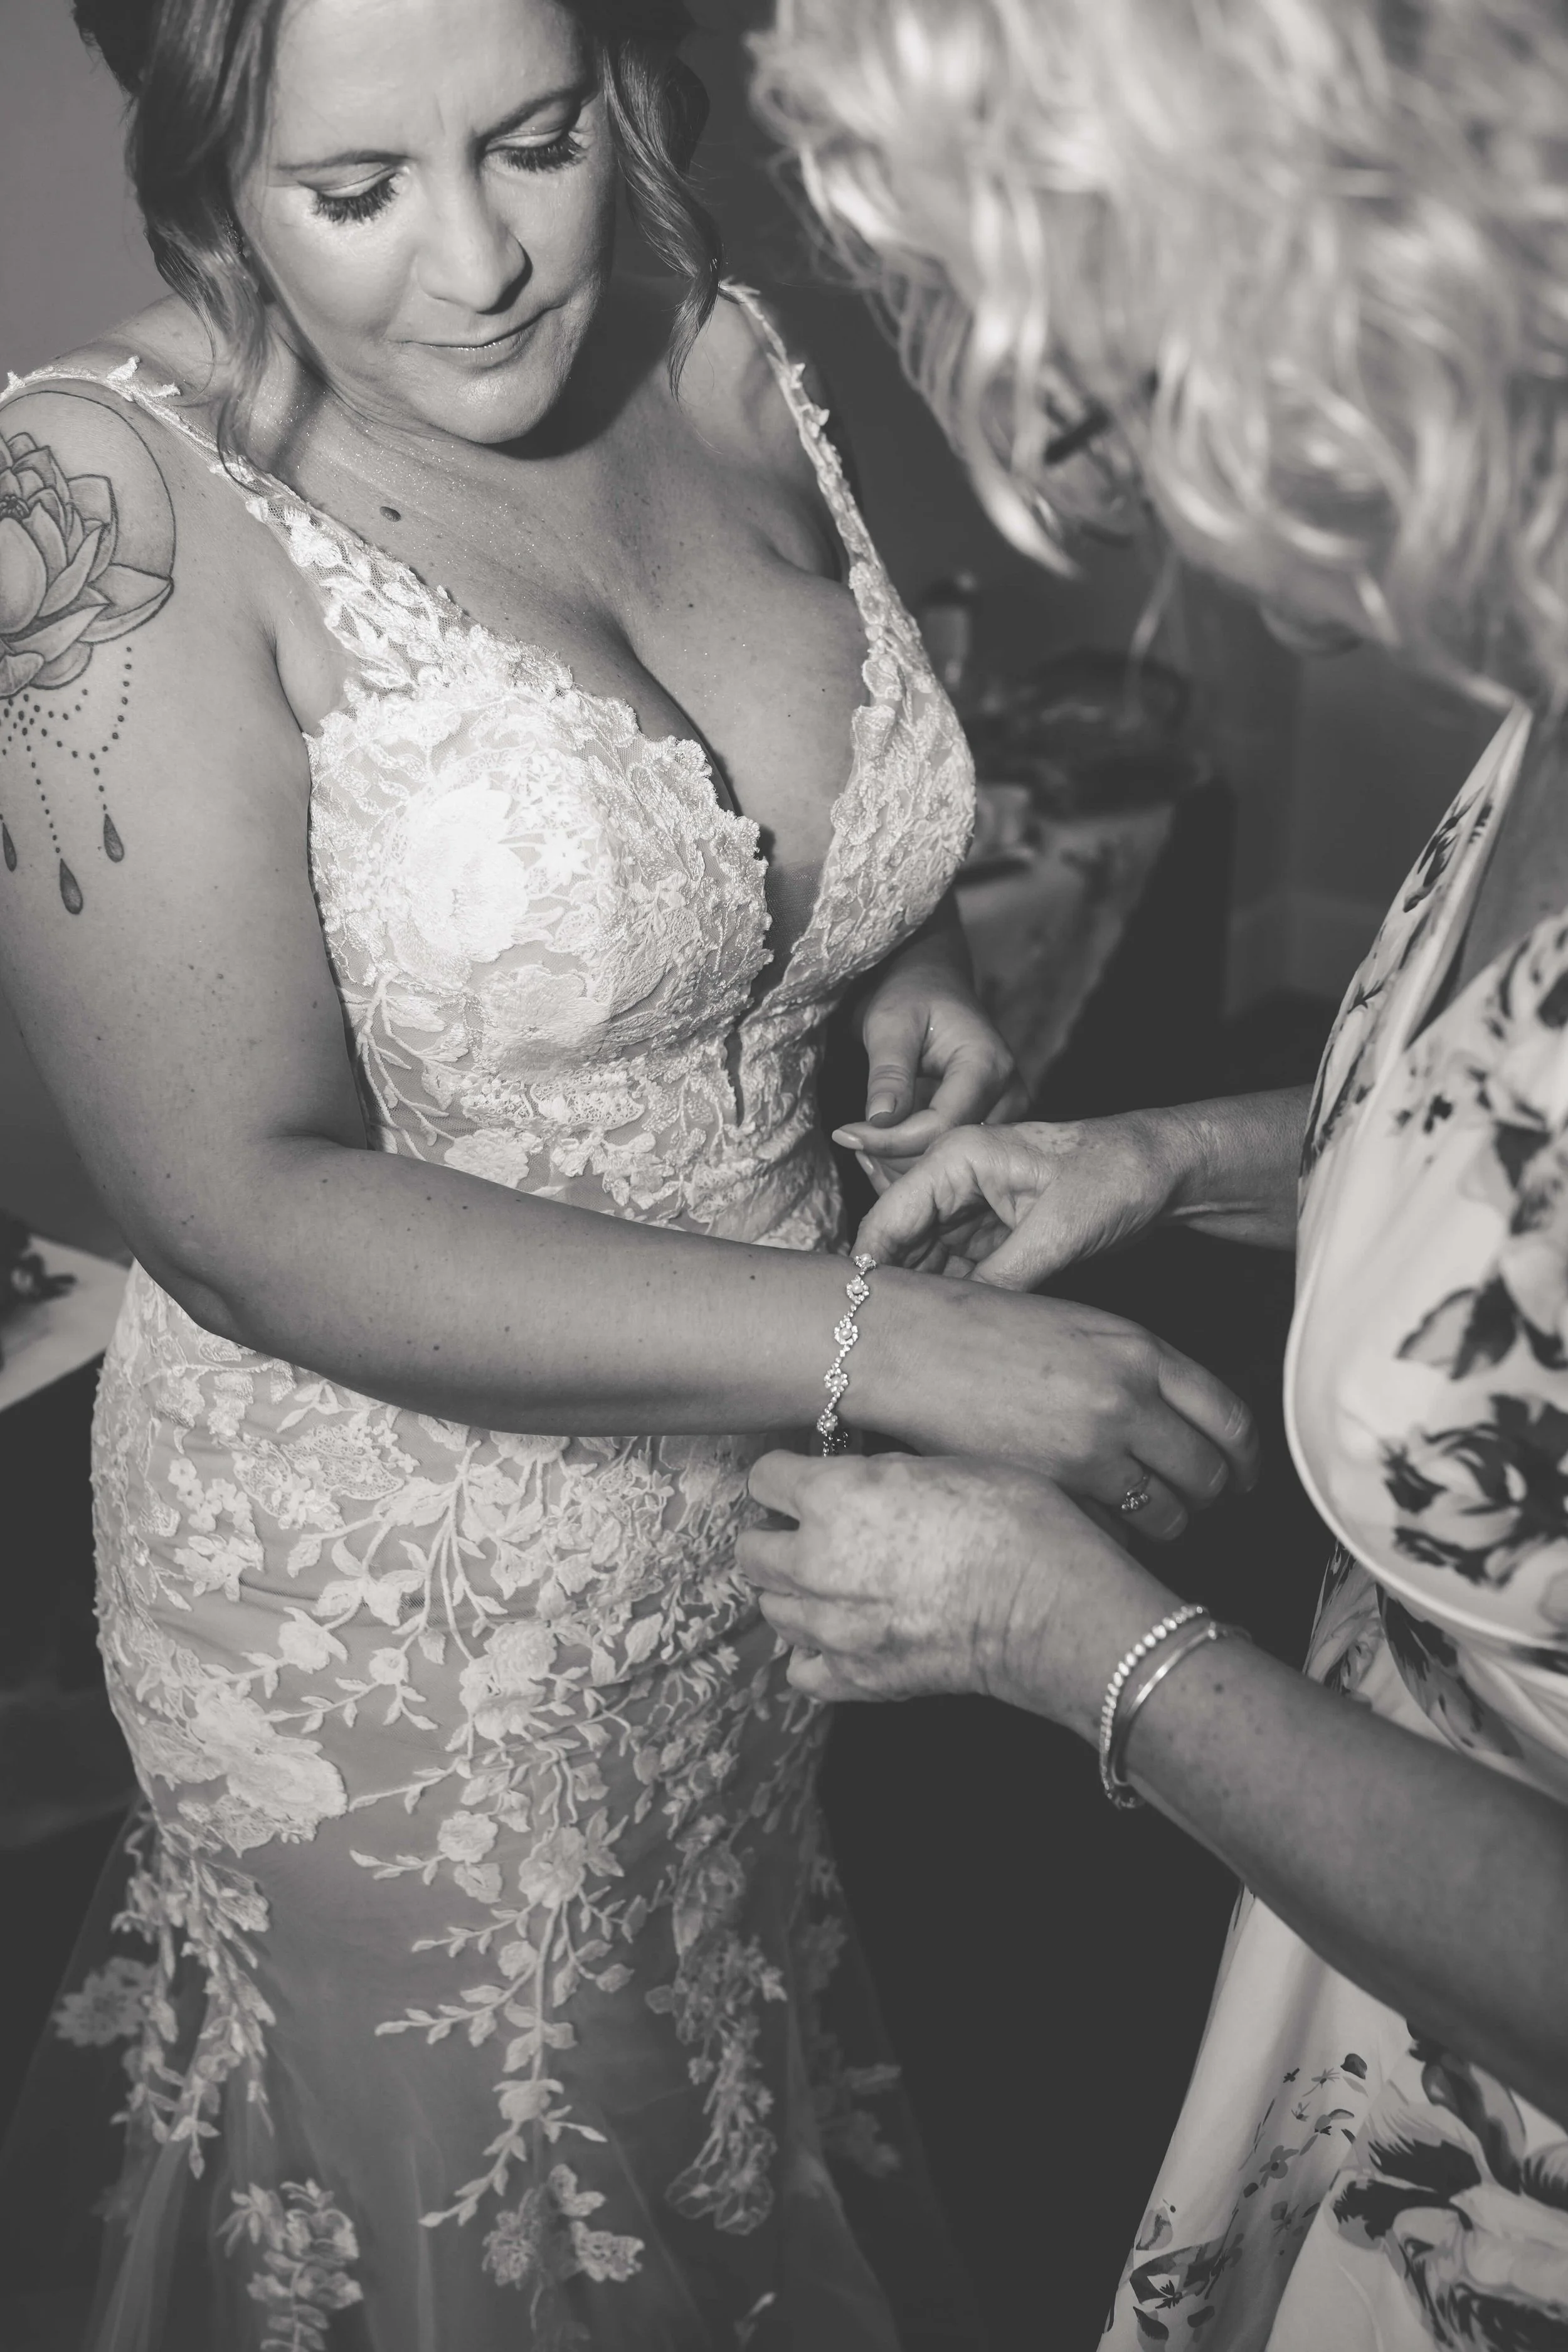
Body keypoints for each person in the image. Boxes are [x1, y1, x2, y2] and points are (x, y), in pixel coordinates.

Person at [0, 0, 1264, 2343]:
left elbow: (772, 770)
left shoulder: (718, 335)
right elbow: (240, 1207)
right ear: (202, 174)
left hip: (744, 1540)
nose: (480, 261)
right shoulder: (102, 505)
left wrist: (888, 944)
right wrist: (916, 1347)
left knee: (710, 2083)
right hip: (390, 1604)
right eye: (350, 193)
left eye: (536, 139)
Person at [746, 1, 1568, 2345]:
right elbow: (1508, 1178)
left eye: (1128, 401)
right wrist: (1174, 1155)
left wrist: (1078, 1638)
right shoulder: (1539, 668)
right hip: (1362, 1976)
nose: (1122, 512)